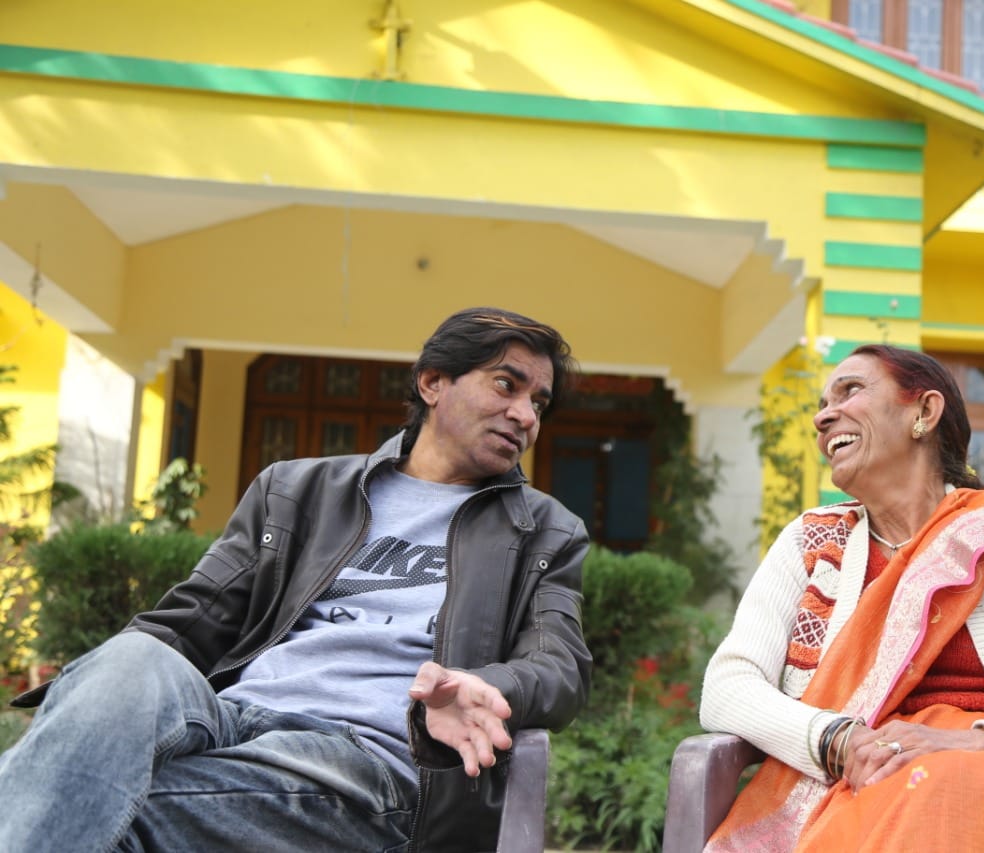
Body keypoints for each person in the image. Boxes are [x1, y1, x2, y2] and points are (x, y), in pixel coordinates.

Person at [1, 307, 592, 853]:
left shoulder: (545, 531)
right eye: (506, 385)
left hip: (360, 758)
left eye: (540, 403)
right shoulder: (296, 490)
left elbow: (558, 665)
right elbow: (189, 621)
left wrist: (486, 685)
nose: (525, 416)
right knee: (131, 660)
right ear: (433, 382)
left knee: (95, 807)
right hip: (229, 720)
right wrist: (84, 702)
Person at [699, 344, 984, 852]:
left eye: (850, 389)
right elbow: (728, 686)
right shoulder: (813, 545)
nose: (822, 416)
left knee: (950, 788)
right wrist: (841, 741)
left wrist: (980, 743)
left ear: (923, 412)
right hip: (860, 792)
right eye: (822, 402)